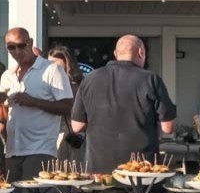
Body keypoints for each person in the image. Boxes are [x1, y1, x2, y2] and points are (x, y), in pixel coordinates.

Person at [70, 35, 176, 174]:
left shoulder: (90, 79)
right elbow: (168, 128)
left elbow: (77, 126)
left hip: (99, 170)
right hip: (141, 169)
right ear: (141, 53)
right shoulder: (151, 80)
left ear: (115, 54)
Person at [0, 28, 74, 182]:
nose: (17, 51)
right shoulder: (7, 76)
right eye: (11, 47)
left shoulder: (52, 70)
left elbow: (67, 106)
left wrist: (33, 101)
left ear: (30, 43)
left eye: (21, 45)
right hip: (13, 151)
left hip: (40, 149)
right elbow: (3, 118)